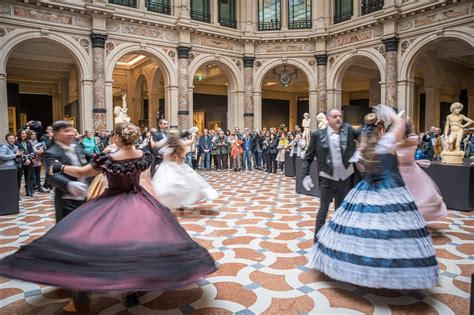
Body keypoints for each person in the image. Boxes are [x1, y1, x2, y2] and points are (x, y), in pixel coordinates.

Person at [0, 122, 216, 310]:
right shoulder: (142, 155)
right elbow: (140, 172)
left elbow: (84, 172)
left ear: (115, 138)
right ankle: (134, 288)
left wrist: (61, 167)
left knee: (100, 239)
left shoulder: (109, 158)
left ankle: (95, 282)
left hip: (113, 200)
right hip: (139, 200)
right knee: (138, 243)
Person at [307, 105, 438, 290]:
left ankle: (361, 267)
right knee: (392, 233)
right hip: (391, 190)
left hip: (367, 189)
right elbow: (400, 124)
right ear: (382, 129)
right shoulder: (387, 143)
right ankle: (390, 270)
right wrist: (392, 114)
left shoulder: (363, 150)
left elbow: (362, 169)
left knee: (365, 230)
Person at [302, 109, 360, 242]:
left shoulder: (348, 131)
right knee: (323, 211)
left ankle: (339, 240)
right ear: (328, 119)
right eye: (335, 116)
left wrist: (374, 125)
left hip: (344, 179)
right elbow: (308, 157)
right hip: (327, 180)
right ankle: (317, 242)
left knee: (341, 211)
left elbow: (363, 134)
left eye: (340, 116)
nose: (338, 118)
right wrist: (305, 175)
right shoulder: (317, 135)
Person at [151, 131, 219, 209]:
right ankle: (177, 201)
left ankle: (172, 202)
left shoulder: (165, 143)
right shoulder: (179, 143)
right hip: (175, 166)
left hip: (168, 167)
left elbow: (155, 145)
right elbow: (191, 141)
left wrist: (151, 138)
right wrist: (193, 134)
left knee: (169, 185)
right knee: (184, 184)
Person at [396, 120, 447, 221]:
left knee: (416, 196)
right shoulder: (408, 139)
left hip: (407, 170)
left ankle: (409, 218)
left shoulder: (409, 139)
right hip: (405, 170)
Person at [44, 121, 89, 222]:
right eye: (66, 131)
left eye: (72, 130)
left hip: (86, 197)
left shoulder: (77, 146)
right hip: (67, 201)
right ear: (55, 134)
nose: (71, 133)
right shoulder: (51, 153)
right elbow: (52, 175)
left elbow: (89, 156)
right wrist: (69, 184)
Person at [15, 129, 35, 196]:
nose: (24, 135)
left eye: (25, 133)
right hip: (20, 163)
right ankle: (17, 193)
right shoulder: (16, 143)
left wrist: (29, 159)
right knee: (19, 178)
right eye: (22, 133)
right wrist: (24, 160)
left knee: (28, 177)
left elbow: (32, 152)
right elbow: (17, 153)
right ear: (19, 134)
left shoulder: (28, 142)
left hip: (29, 162)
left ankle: (28, 191)